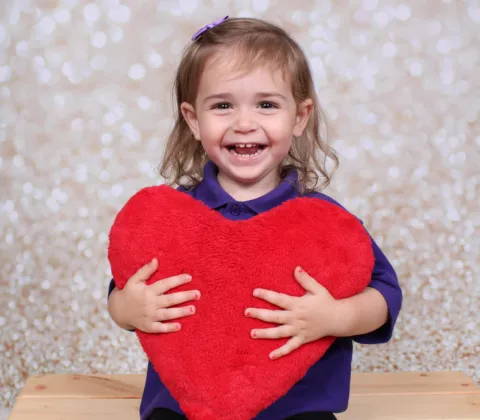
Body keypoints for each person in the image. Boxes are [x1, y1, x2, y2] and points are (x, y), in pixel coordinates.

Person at [107, 16, 403, 420]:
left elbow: (385, 295)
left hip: (298, 408)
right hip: (185, 409)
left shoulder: (323, 225)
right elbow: (122, 288)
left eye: (266, 105)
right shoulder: (170, 221)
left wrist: (336, 316)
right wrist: (128, 308)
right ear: (194, 120)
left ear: (299, 117)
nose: (244, 123)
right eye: (223, 105)